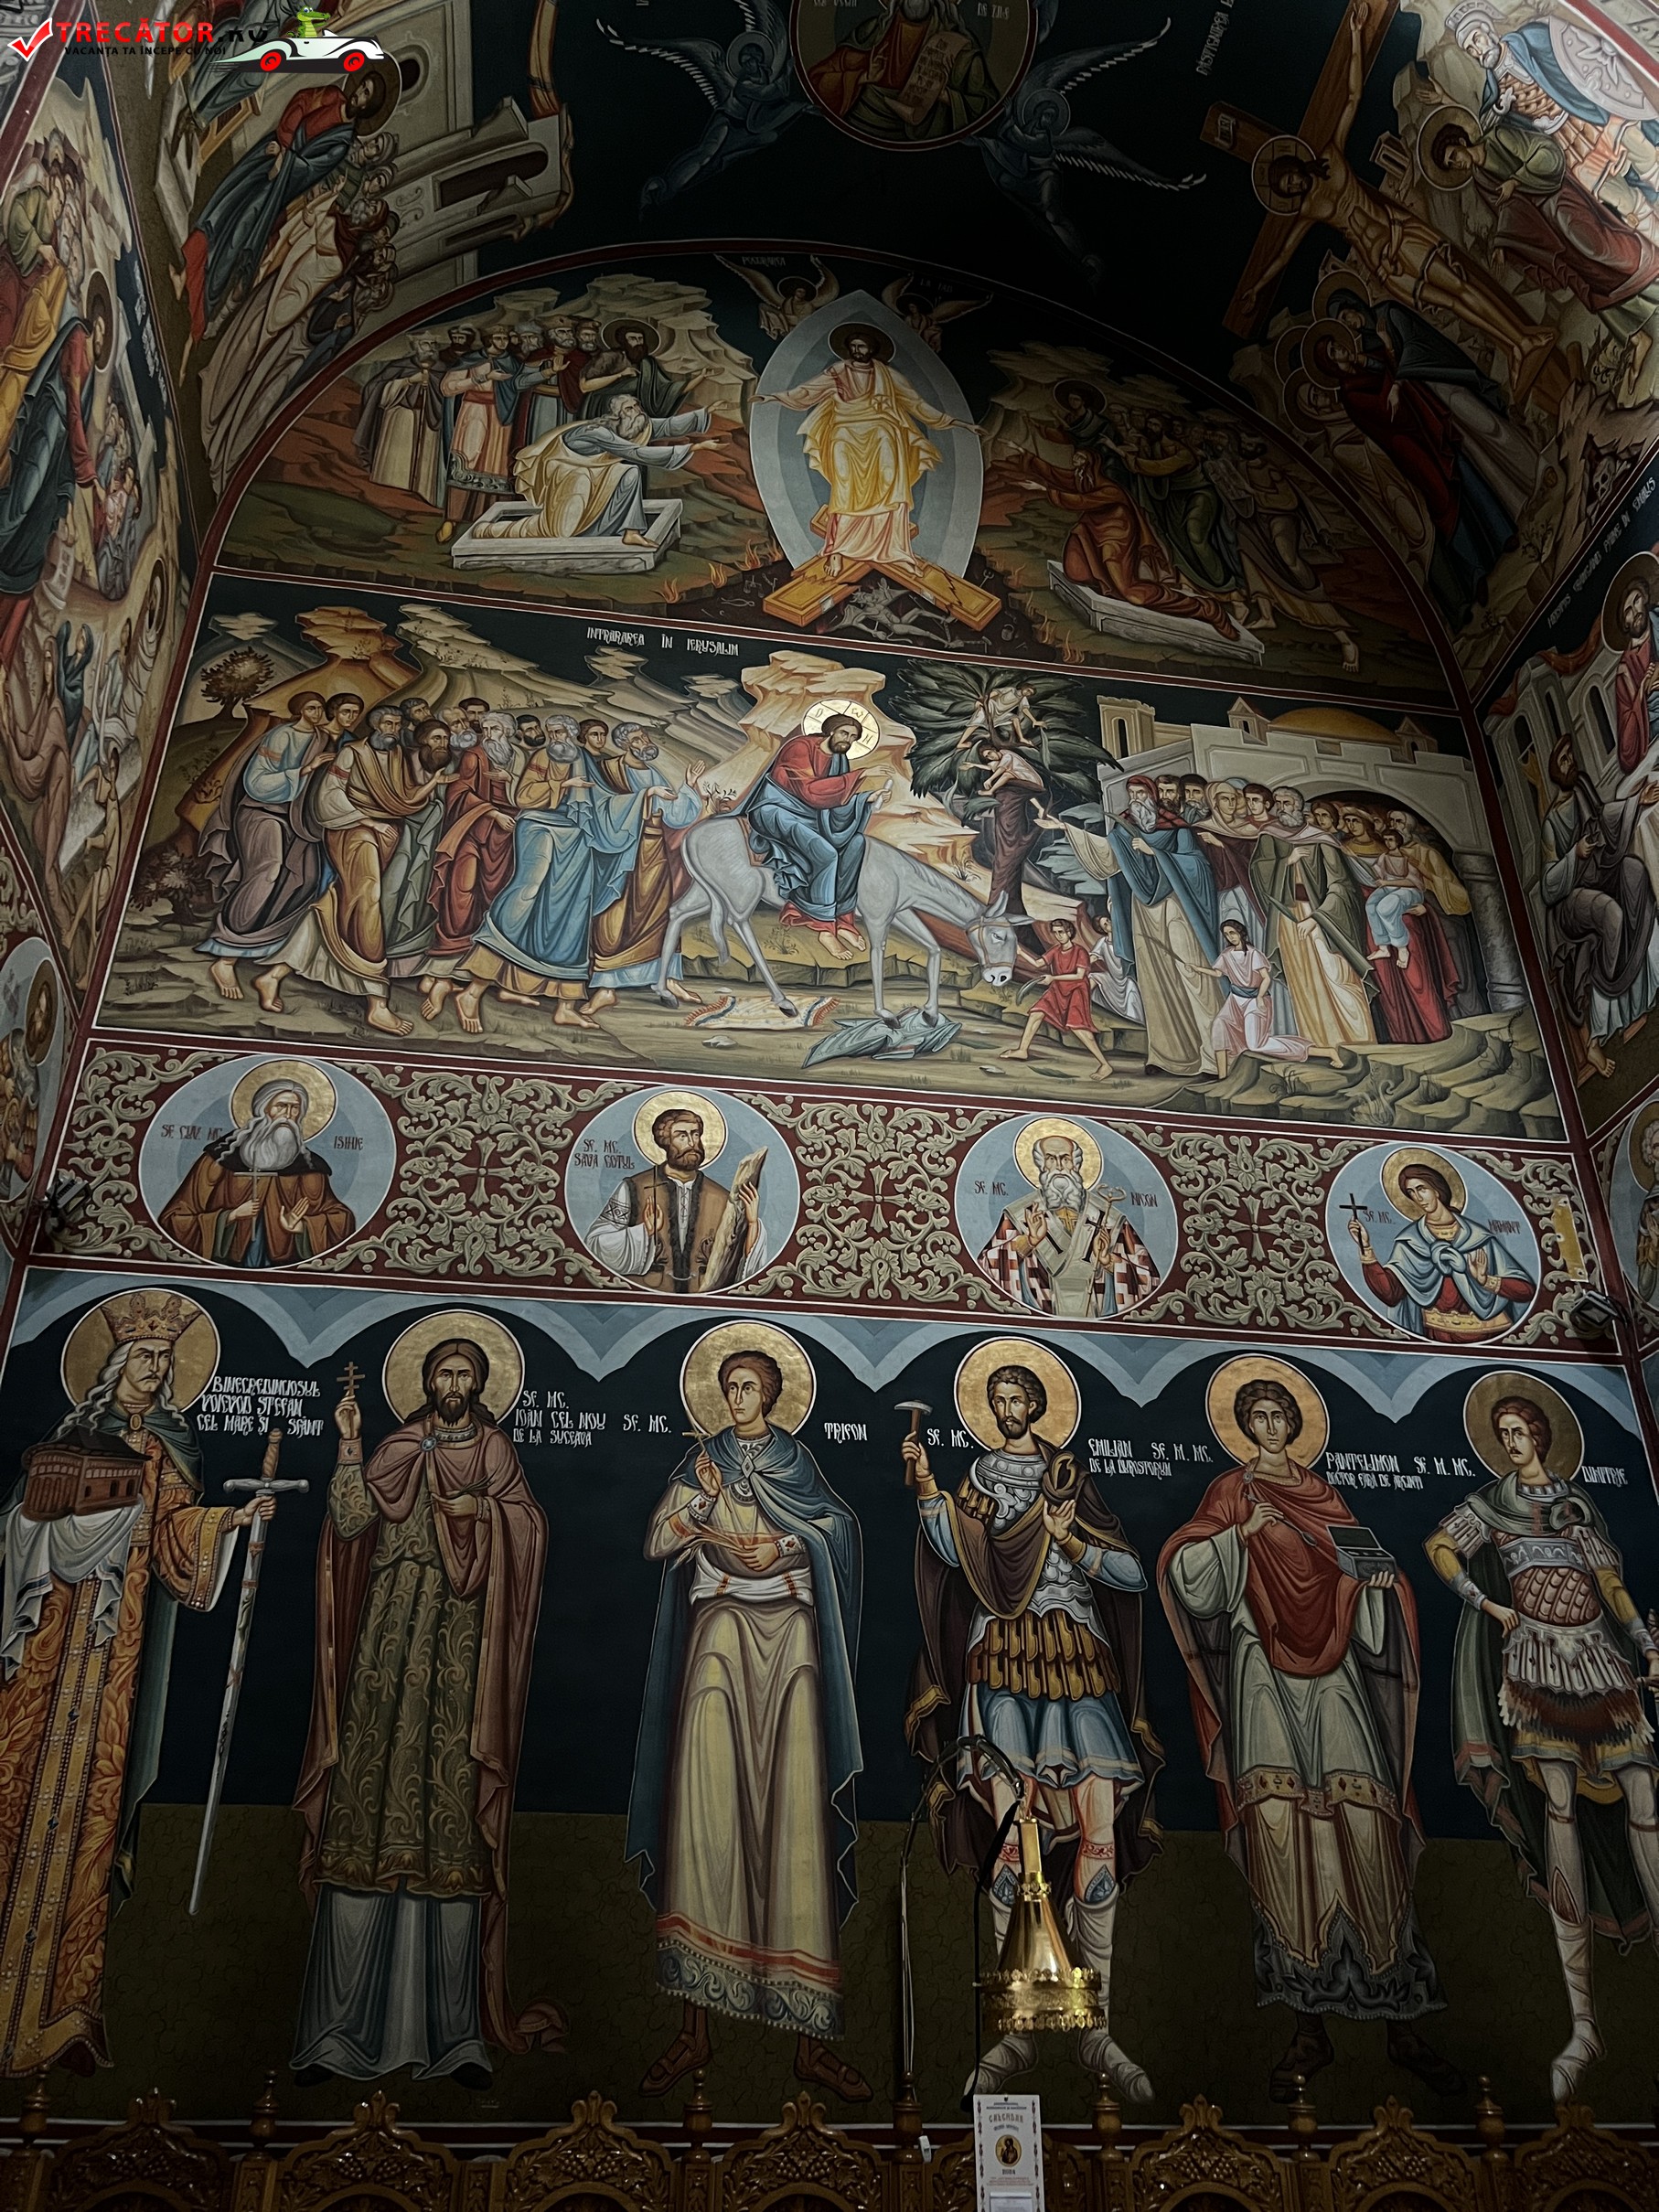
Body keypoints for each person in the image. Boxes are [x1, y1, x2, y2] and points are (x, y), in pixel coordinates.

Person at [1161, 1363, 1459, 2103]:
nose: (1268, 1427)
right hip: (1259, 1665)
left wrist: (1381, 1589)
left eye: (1278, 1416)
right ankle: (1307, 2023)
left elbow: (1365, 1568)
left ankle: (1400, 2016)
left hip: (1336, 1675)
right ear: (1244, 1427)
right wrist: (1239, 1535)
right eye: (1256, 1417)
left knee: (1365, 1819)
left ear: (1293, 1425)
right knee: (1281, 1824)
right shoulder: (1231, 1493)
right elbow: (1189, 1574)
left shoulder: (1325, 1495)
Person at [0, 1291, 264, 2076]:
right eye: (144, 1355)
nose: (156, 1367)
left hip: (114, 1654)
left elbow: (178, 1533)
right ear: (116, 1363)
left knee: (93, 1811)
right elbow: (18, 1524)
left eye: (164, 1358)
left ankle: (64, 2012)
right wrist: (60, 1521)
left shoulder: (169, 1449)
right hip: (50, 1644)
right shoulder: (72, 1439)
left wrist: (226, 1522)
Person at [292, 1340, 560, 2086]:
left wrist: (488, 1515)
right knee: (363, 1821)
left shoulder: (495, 1452)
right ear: (426, 1380)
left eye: (466, 1373)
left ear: (481, 1383)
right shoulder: (397, 1446)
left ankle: (452, 2038)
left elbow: (530, 1529)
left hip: (457, 1663)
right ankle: (335, 2034)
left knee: (450, 1829)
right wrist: (350, 1442)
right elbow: (351, 1519)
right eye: (444, 1372)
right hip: (383, 1657)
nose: (454, 1383)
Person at [904, 1355, 1161, 2100]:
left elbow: (1132, 1575)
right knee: (1011, 1849)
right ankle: (1016, 2025)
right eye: (1000, 1397)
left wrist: (1070, 1538)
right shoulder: (982, 1478)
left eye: (1020, 1396)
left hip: (1078, 1658)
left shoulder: (1069, 1479)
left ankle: (1096, 2027)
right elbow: (955, 1550)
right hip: (1002, 1661)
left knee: (1098, 1831)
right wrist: (926, 1488)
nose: (1010, 1406)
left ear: (1039, 1404)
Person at [627, 1338, 866, 2101]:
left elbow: (839, 1531)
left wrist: (792, 1540)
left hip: (791, 1631)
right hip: (722, 1627)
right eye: (728, 1385)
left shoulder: (797, 1462)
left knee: (795, 1810)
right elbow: (657, 1540)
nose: (736, 1397)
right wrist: (700, 1503)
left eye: (748, 1386)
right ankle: (694, 2027)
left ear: (770, 1394)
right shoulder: (702, 1461)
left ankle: (809, 2039)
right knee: (706, 1804)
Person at [1427, 1384, 1659, 2101]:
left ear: (1541, 1435)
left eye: (1519, 1430)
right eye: (1502, 1432)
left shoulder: (1577, 1505)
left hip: (1598, 1657)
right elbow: (1440, 1546)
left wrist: (1646, 1643)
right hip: (1537, 1660)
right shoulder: (1491, 1504)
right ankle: (1582, 2020)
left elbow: (1610, 1582)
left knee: (1644, 1797)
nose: (1511, 1441)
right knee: (1558, 1806)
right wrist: (1488, 1603)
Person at [1237, 3, 1557, 399]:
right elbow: (1284, 252)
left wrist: (1356, 36)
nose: (1292, 185)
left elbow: (1352, 97)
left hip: (1399, 236)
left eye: (1290, 177)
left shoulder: (1332, 160)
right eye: (1288, 188)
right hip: (1384, 266)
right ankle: (1513, 348)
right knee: (1454, 307)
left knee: (1461, 286)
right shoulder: (1308, 209)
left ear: (1296, 165)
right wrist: (1257, 288)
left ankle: (1524, 337)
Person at [454, 727, 669, 1034]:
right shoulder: (544, 756)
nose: (559, 739)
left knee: (574, 912)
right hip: (540, 826)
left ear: (573, 736)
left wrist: (644, 795)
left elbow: (603, 801)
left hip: (577, 834)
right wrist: (563, 784)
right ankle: (472, 991)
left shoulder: (584, 761)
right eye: (554, 733)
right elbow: (524, 796)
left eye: (564, 733)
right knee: (527, 894)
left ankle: (565, 1006)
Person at [255, 714, 455, 1038]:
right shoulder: (352, 753)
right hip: (351, 829)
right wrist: (369, 821)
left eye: (396, 725)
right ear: (374, 726)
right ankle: (377, 1001)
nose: (392, 730)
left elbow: (405, 800)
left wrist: (433, 783)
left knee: (342, 902)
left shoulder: (396, 756)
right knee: (368, 898)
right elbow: (329, 796)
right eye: (386, 724)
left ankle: (274, 975)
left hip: (385, 833)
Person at [762, 323, 971, 576]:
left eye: (861, 346)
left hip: (882, 433)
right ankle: (837, 551)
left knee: (890, 485)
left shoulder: (888, 376)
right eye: (853, 346)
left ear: (872, 349)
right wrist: (775, 397)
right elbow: (809, 390)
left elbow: (916, 403)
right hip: (845, 431)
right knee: (845, 487)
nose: (856, 350)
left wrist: (955, 422)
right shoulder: (838, 372)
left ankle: (897, 551)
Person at [198, 690, 333, 1003]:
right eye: (312, 707)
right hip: (261, 812)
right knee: (268, 871)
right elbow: (257, 782)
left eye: (320, 707)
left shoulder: (323, 740)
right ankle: (225, 958)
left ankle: (266, 948)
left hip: (298, 820)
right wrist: (305, 769)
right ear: (300, 709)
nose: (317, 712)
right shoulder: (282, 736)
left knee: (306, 879)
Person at [1538, 732, 1659, 1078]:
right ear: (1554, 770)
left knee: (1635, 871)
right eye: (1564, 760)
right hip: (1569, 902)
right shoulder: (1551, 824)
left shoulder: (1582, 789)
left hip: (1598, 877)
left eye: (1570, 756)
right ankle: (1598, 1031)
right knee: (1612, 914)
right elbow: (1548, 886)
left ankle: (1648, 982)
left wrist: (1636, 801)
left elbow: (1605, 816)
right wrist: (1574, 855)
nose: (1571, 763)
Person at [158, 1074, 355, 1267]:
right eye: (281, 1106)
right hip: (226, 1262)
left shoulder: (310, 1167)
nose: (288, 1115)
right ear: (263, 1109)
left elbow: (341, 1220)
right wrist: (230, 1216)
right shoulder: (221, 1158)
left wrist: (302, 1227)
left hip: (284, 1265)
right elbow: (175, 1219)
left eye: (295, 1108)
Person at [475, 392, 720, 547]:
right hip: (570, 479)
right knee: (561, 532)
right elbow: (634, 452)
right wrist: (695, 447)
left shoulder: (630, 424)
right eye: (630, 409)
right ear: (616, 415)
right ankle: (491, 531)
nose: (637, 411)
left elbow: (663, 426)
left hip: (592, 477)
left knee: (630, 474)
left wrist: (706, 414)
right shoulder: (599, 432)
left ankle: (631, 532)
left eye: (637, 405)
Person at [1104, 776, 1223, 1078]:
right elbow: (1110, 863)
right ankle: (1166, 1056)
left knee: (1192, 974)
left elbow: (1198, 866)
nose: (1136, 798)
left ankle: (1214, 1057)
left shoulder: (1177, 827)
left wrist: (1155, 853)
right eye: (1131, 793)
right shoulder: (1122, 830)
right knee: (1154, 979)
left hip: (1176, 904)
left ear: (1153, 795)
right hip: (1142, 910)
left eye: (1141, 792)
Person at [976, 1125, 1160, 1319]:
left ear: (1076, 1165)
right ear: (1041, 1165)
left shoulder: (1110, 1219)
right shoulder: (1020, 1214)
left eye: (1065, 1158)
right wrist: (1028, 1241)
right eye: (1051, 1159)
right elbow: (987, 1267)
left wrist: (1109, 1261)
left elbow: (1149, 1279)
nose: (1059, 1166)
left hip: (1097, 1310)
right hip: (1041, 1307)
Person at [1347, 1159, 1534, 1341]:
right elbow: (1391, 1294)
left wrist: (1486, 1281)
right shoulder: (1411, 1241)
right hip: (1437, 1332)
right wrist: (1366, 1247)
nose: (1418, 1198)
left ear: (1437, 1190)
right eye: (1411, 1192)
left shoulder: (1478, 1238)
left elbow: (1525, 1290)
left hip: (1491, 1332)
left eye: (1422, 1189)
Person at [588, 1102, 765, 1292]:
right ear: (665, 1142)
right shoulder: (634, 1188)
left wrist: (752, 1224)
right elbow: (596, 1244)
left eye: (695, 1134)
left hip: (703, 1294)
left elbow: (741, 1264)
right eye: (682, 1136)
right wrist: (644, 1232)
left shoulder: (722, 1197)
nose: (692, 1143)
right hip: (649, 1293)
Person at [741, 711, 876, 957]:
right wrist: (859, 776)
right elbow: (810, 792)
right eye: (844, 733)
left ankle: (842, 920)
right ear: (831, 731)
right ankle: (824, 927)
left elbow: (834, 804)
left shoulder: (839, 760)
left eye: (854, 737)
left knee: (856, 844)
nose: (848, 740)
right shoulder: (800, 747)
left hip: (810, 816)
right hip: (775, 809)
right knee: (826, 854)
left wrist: (864, 799)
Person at [807, 0, 996, 140]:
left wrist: (947, 97)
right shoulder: (871, 33)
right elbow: (819, 82)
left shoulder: (958, 48)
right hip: (862, 129)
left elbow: (986, 104)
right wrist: (863, 77)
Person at [1000, 917, 1112, 1074]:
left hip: (1076, 991)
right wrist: (1020, 952)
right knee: (1036, 1013)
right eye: (1055, 933)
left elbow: (1079, 976)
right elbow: (1039, 963)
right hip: (1058, 990)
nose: (1058, 936)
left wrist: (1053, 978)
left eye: (1061, 932)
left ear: (1069, 932)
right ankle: (1022, 1050)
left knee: (1079, 1028)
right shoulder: (1056, 950)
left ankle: (1105, 1064)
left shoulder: (1080, 952)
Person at [1209, 917, 1311, 1076]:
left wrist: (1260, 997)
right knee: (1219, 1026)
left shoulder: (1253, 954)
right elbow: (1217, 973)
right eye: (1227, 934)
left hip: (1255, 1000)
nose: (1230, 937)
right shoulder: (1227, 954)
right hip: (1235, 1001)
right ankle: (1223, 1077)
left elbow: (1266, 978)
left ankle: (1307, 1049)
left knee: (1256, 1045)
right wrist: (1198, 969)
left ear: (1241, 933)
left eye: (1232, 933)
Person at [578, 318, 689, 419]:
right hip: (604, 411)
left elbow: (666, 390)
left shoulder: (648, 363)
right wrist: (620, 374)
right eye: (632, 338)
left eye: (640, 339)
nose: (638, 342)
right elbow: (585, 386)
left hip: (633, 414)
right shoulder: (609, 357)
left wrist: (697, 378)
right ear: (624, 341)